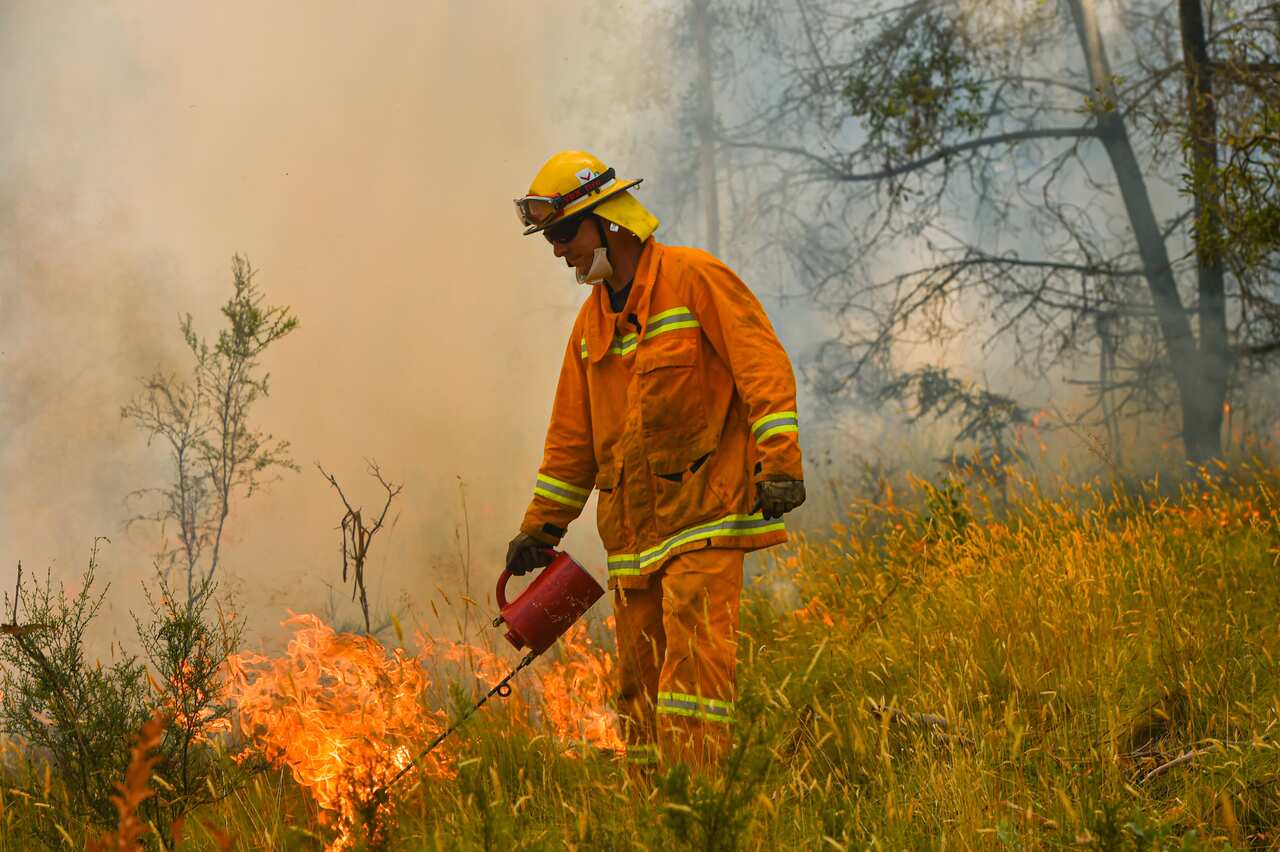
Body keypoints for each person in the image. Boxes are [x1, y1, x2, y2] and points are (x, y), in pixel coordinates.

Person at [506, 150, 805, 772]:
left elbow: (763, 368)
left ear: (607, 220)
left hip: (706, 518)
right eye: (549, 238)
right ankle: (649, 821)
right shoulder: (590, 328)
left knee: (693, 682)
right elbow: (571, 446)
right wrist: (540, 528)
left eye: (563, 232)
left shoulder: (695, 278)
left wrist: (780, 461)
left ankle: (697, 815)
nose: (558, 251)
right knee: (636, 697)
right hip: (635, 544)